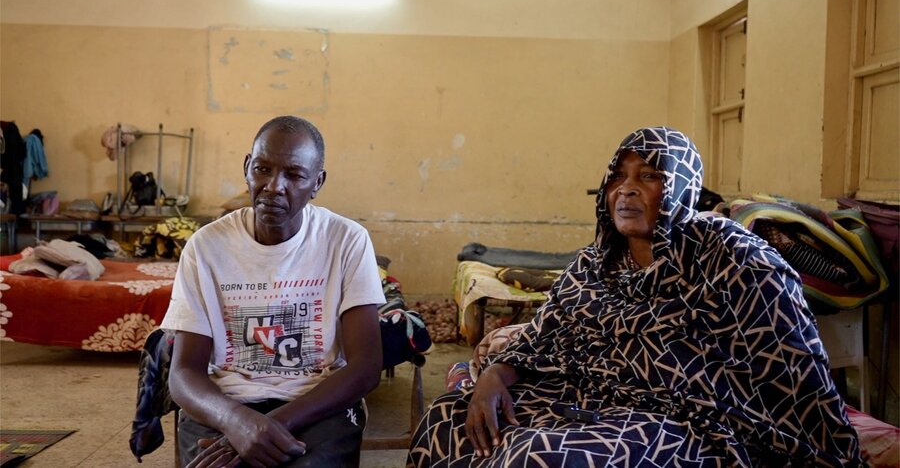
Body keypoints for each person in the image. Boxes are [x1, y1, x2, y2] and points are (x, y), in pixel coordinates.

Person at [407, 127, 861, 467]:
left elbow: (794, 370)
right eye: (618, 177)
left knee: (539, 455)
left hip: (693, 423)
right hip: (592, 398)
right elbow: (544, 338)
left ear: (682, 186)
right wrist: (492, 380)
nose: (627, 189)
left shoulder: (734, 258)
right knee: (447, 421)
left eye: (649, 176)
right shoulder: (596, 263)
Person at [162, 116, 385, 467]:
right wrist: (235, 421)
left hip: (317, 405)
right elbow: (184, 372)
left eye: (294, 175)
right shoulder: (206, 247)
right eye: (262, 169)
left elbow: (365, 367)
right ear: (247, 168)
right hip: (225, 404)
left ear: (317, 183)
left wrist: (264, 428)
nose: (273, 186)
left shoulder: (346, 240)